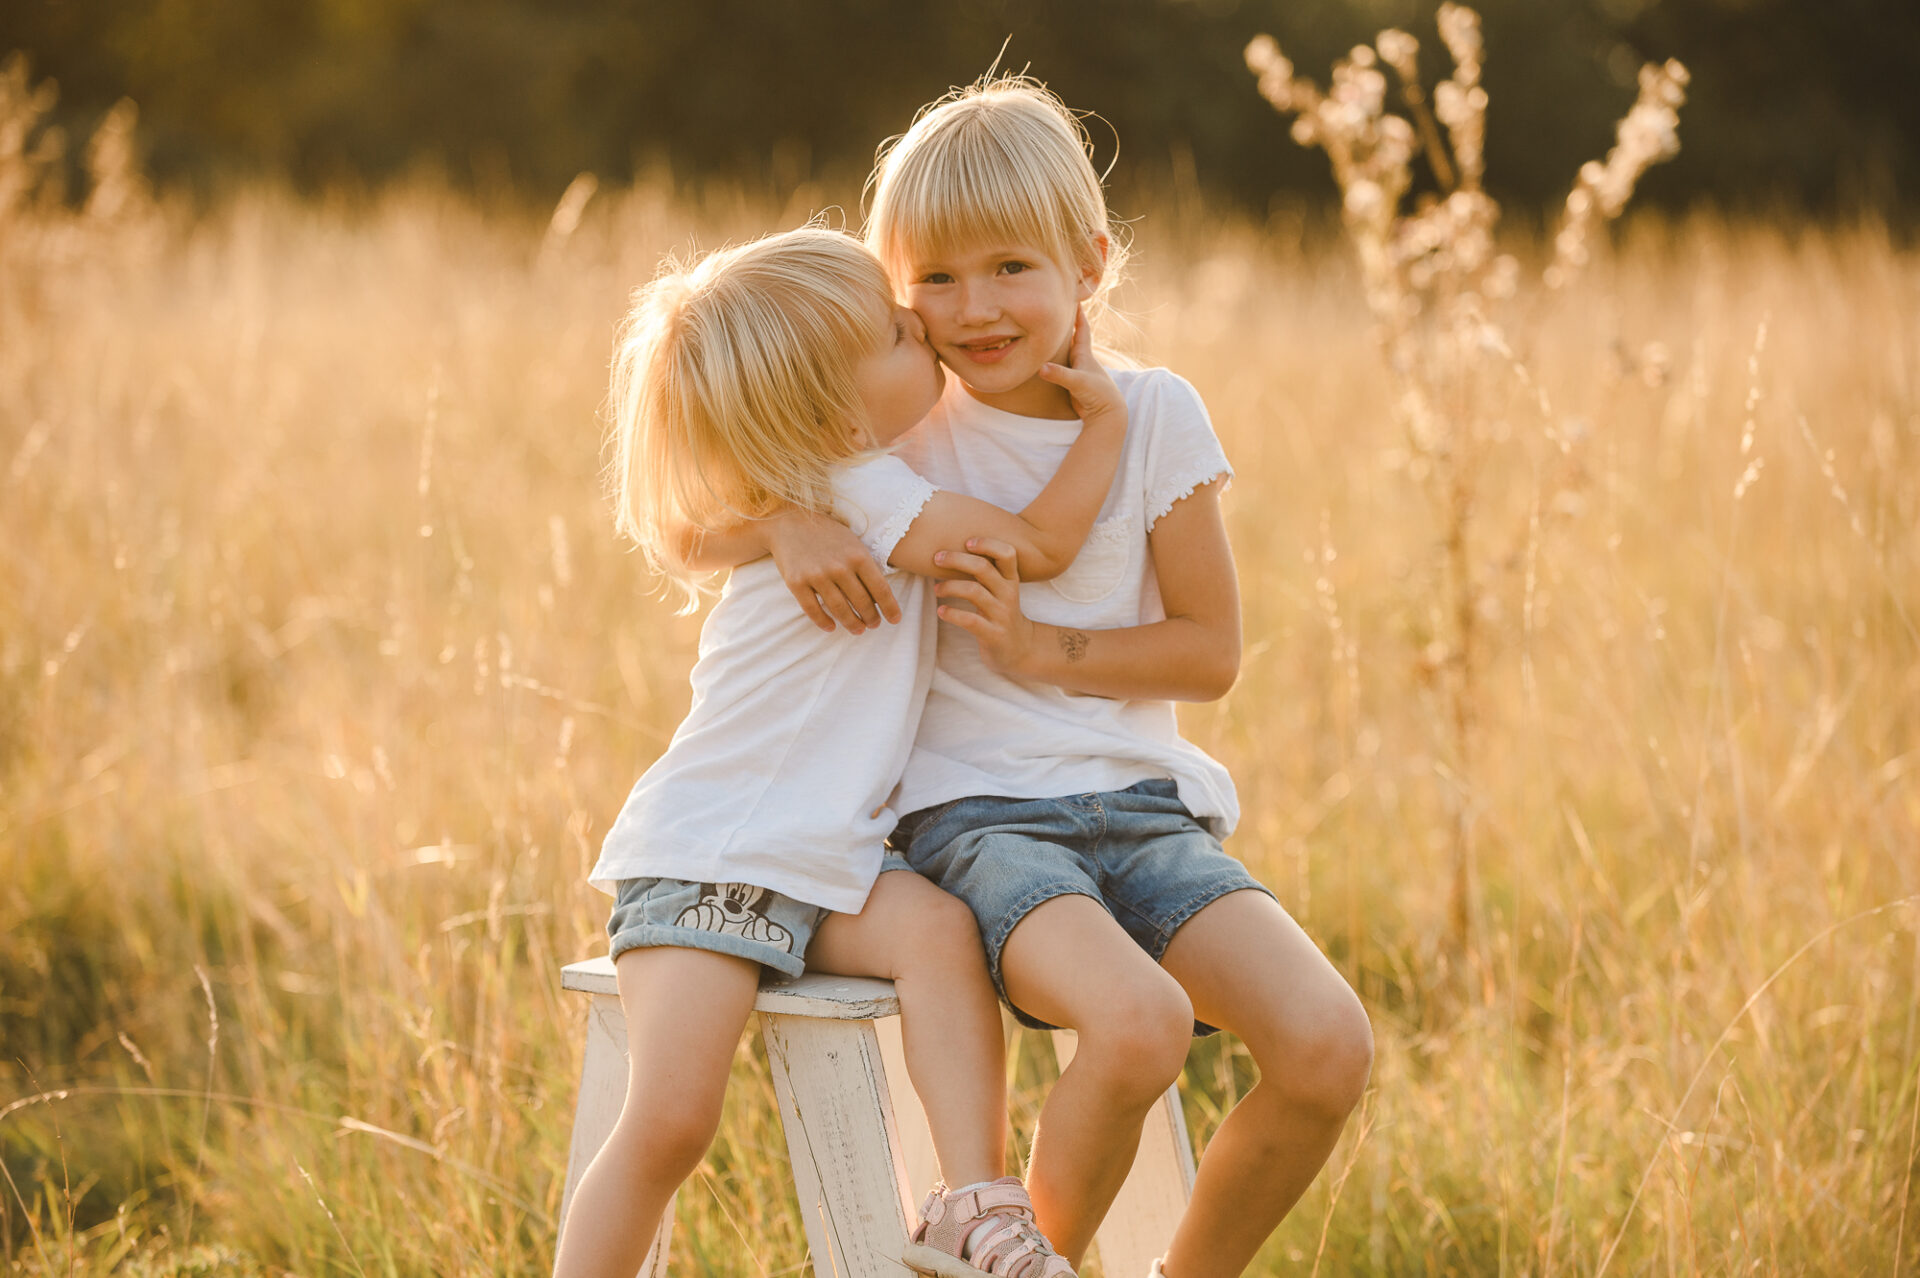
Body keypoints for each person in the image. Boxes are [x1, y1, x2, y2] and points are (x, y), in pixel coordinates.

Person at [733, 80, 1375, 1277]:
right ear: (891, 287)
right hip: (975, 817)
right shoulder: (898, 424)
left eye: (1012, 267)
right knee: (1140, 1027)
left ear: (1088, 263)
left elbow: (1209, 652)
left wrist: (1044, 652)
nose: (974, 309)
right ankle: (1015, 1256)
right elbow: (706, 489)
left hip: (1141, 810)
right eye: (933, 278)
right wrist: (780, 522)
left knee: (1329, 1045)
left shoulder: (1154, 413)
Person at [553, 226, 1126, 1278]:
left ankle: (976, 1202)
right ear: (829, 410)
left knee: (940, 932)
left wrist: (776, 520)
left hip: (830, 864)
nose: (927, 330)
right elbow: (1037, 547)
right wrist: (1108, 425)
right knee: (674, 1121)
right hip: (711, 859)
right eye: (899, 333)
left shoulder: (843, 486)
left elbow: (687, 532)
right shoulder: (868, 492)